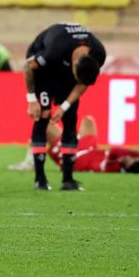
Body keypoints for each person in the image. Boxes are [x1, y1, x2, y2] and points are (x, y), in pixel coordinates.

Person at [25, 23, 106, 191]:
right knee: (43, 117)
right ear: (75, 64)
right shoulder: (54, 51)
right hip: (43, 71)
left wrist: (65, 106)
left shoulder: (99, 53)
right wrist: (32, 99)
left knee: (70, 118)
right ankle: (40, 179)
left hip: (65, 70)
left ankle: (67, 180)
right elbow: (28, 67)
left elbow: (83, 83)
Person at [11, 116, 139, 174]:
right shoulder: (136, 164)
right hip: (88, 147)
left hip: (73, 157)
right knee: (88, 120)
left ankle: (31, 161)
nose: (130, 158)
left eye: (132, 161)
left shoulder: (111, 166)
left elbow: (116, 150)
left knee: (42, 124)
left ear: (128, 167)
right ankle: (70, 134)